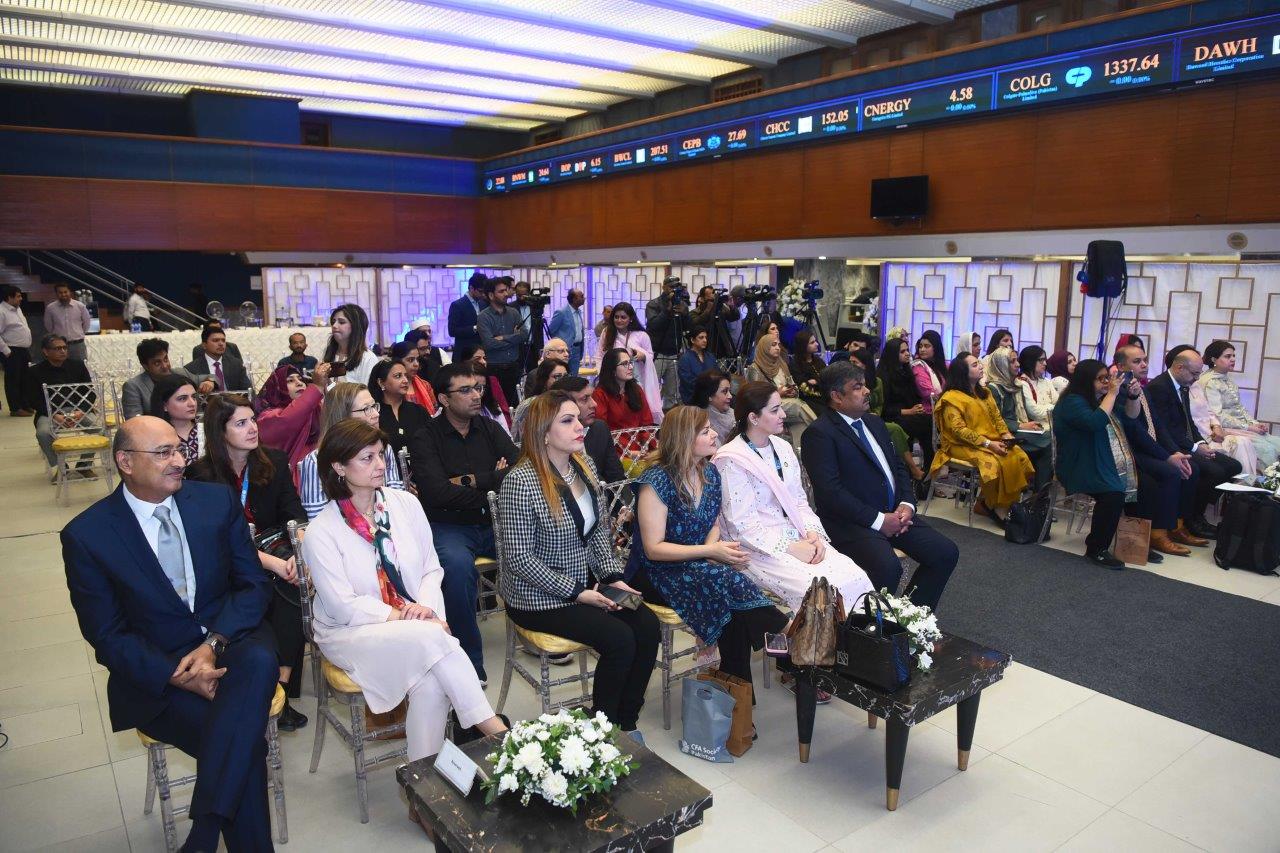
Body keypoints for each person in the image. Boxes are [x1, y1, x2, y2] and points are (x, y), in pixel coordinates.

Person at [63, 416, 276, 851]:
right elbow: (107, 635)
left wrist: (212, 645)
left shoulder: (215, 501)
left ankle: (201, 836)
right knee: (243, 743)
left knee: (256, 659)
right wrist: (177, 674)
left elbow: (253, 585)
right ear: (125, 461)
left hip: (230, 640)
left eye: (180, 449)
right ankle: (211, 832)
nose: (179, 461)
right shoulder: (88, 535)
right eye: (164, 453)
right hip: (158, 672)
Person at [301, 419, 507, 769]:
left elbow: (431, 568)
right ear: (338, 466)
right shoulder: (323, 531)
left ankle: (421, 784)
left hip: (417, 622)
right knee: (433, 642)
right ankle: (495, 731)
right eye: (366, 458)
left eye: (381, 455)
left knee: (430, 681)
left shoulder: (405, 506)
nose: (380, 465)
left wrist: (423, 609)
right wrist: (405, 616)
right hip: (350, 631)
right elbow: (340, 605)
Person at [498, 391, 659, 735]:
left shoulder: (581, 469)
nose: (579, 426)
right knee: (619, 639)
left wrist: (613, 577)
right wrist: (578, 591)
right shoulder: (520, 481)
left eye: (578, 418)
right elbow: (519, 559)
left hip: (585, 584)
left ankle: (625, 722)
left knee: (646, 625)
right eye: (567, 421)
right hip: (537, 597)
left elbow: (599, 534)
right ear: (543, 432)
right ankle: (602, 730)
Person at [630, 406, 787, 693]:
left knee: (734, 613)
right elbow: (653, 549)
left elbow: (713, 521)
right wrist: (709, 554)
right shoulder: (656, 481)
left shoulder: (710, 473)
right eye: (705, 431)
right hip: (656, 572)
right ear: (684, 439)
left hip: (697, 559)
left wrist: (711, 548)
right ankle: (784, 634)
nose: (715, 433)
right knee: (729, 580)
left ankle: (738, 703)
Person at [187, 395, 310, 730]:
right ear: (219, 430)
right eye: (241, 423)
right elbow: (213, 540)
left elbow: (295, 514)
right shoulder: (200, 475)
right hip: (227, 556)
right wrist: (273, 563)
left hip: (273, 544)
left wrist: (300, 552)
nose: (253, 428)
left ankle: (279, 688)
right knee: (277, 585)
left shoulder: (273, 460)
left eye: (253, 420)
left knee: (293, 585)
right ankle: (270, 682)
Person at [801, 361, 958, 609]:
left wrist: (906, 504)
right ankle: (862, 629)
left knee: (945, 552)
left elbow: (897, 467)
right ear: (836, 397)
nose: (867, 392)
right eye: (857, 387)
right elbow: (830, 493)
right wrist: (879, 520)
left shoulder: (874, 422)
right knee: (887, 567)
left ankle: (911, 618)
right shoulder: (820, 433)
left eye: (865, 385)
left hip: (894, 513)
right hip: (851, 521)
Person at [714, 381, 875, 610]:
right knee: (820, 592)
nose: (782, 414)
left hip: (798, 534)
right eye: (774, 410)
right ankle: (815, 644)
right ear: (753, 418)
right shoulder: (731, 459)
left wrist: (812, 534)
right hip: (757, 548)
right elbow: (742, 526)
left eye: (780, 407)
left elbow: (800, 501)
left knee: (856, 576)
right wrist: (791, 548)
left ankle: (859, 642)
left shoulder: (782, 447)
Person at [407, 363, 520, 682]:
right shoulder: (425, 437)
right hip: (450, 525)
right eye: (466, 390)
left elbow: (517, 472)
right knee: (455, 569)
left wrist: (471, 481)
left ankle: (541, 633)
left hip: (498, 521)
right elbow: (436, 493)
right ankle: (468, 660)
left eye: (478, 388)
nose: (476, 396)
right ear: (443, 399)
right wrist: (491, 483)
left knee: (536, 551)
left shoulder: (490, 428)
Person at [1113, 344, 1203, 555]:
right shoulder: (1118, 391)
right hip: (1130, 451)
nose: (1144, 365)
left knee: (1189, 467)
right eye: (1137, 361)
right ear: (1120, 365)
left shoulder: (1142, 387)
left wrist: (1174, 452)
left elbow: (1158, 426)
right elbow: (1135, 433)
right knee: (1171, 471)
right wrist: (1167, 457)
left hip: (1148, 447)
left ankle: (1177, 526)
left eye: (1144, 360)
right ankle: (1158, 534)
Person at [1052, 361, 1140, 569]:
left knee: (1140, 482)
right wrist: (1112, 393)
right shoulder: (1072, 402)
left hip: (1099, 458)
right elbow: (1095, 422)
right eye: (1101, 379)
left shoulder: (1097, 399)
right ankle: (1097, 548)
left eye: (1107, 378)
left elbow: (1130, 416)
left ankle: (1134, 542)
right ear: (1085, 380)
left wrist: (1133, 397)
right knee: (1113, 493)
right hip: (1078, 463)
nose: (1106, 383)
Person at [1144, 347, 1243, 532]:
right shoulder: (1160, 387)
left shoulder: (1184, 385)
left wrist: (1201, 444)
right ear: (1180, 368)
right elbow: (1164, 429)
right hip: (1168, 445)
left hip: (1184, 441)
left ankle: (1197, 513)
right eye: (1195, 373)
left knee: (1233, 466)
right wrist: (1194, 449)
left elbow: (1188, 422)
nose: (1197, 378)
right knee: (1210, 471)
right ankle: (1189, 520)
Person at [931, 353, 1035, 524]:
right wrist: (988, 444)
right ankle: (997, 507)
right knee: (994, 462)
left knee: (1018, 455)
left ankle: (988, 503)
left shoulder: (985, 393)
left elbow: (998, 419)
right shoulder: (951, 398)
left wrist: (1006, 436)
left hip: (989, 441)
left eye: (979, 363)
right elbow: (958, 431)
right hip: (958, 445)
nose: (980, 366)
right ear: (962, 372)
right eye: (974, 365)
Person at [297, 383, 405, 519]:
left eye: (374, 406)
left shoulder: (383, 447)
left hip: (386, 523)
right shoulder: (315, 461)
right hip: (338, 534)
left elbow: (396, 495)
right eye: (366, 409)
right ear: (343, 416)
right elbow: (316, 517)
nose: (376, 414)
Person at [1201, 340, 1280, 467]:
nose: (1232, 359)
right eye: (1227, 356)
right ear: (1214, 359)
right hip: (1221, 428)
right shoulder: (1210, 382)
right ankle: (1260, 484)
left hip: (1240, 426)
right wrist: (1248, 427)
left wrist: (1255, 424)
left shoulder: (1227, 380)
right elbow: (1217, 415)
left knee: (1277, 443)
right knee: (1267, 449)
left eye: (1233, 356)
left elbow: (1239, 409)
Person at [854, 347, 926, 487]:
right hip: (858, 417)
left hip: (874, 418)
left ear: (865, 364)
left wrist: (875, 414)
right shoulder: (849, 382)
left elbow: (880, 404)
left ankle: (914, 471)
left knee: (921, 423)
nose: (851, 365)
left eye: (855, 362)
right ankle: (914, 469)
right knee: (895, 428)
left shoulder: (877, 382)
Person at [25, 333, 93, 478]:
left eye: (64, 348)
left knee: (101, 429)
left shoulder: (78, 366)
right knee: (42, 433)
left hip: (77, 410)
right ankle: (62, 467)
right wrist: (54, 415)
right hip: (49, 413)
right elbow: (33, 400)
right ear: (45, 352)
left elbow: (90, 393)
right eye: (57, 348)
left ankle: (84, 465)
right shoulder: (35, 371)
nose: (62, 351)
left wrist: (82, 411)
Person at [986, 347, 1052, 490]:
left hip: (1016, 430)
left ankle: (1040, 493)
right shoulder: (993, 388)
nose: (1017, 364)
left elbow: (1019, 414)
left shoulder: (1013, 385)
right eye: (1012, 361)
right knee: (1049, 444)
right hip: (1001, 435)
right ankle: (1040, 495)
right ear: (1001, 365)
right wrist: (1021, 426)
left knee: (1050, 442)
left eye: (1017, 360)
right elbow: (993, 421)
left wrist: (1027, 424)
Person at [255, 363, 331, 479]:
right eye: (290, 381)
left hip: (320, 474)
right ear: (278, 387)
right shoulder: (267, 418)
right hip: (290, 481)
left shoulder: (315, 408)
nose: (299, 383)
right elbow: (289, 419)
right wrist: (316, 388)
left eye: (300, 379)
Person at [551, 375, 627, 483]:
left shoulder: (599, 429)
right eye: (584, 399)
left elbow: (617, 478)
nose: (594, 404)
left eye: (592, 397)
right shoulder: (556, 440)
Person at [747, 332, 815, 451]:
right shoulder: (755, 368)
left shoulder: (782, 364)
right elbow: (755, 397)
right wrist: (778, 393)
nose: (778, 348)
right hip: (768, 407)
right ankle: (819, 427)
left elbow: (793, 384)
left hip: (786, 403)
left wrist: (793, 391)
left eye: (778, 344)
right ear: (764, 347)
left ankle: (800, 456)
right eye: (773, 345)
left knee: (800, 425)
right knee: (798, 405)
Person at [877, 337, 934, 475]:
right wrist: (909, 411)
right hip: (892, 417)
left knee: (928, 421)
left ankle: (929, 471)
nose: (908, 353)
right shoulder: (883, 376)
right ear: (893, 354)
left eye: (907, 350)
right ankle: (911, 472)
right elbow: (885, 409)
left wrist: (918, 408)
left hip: (909, 415)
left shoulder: (906, 371)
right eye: (902, 351)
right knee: (910, 426)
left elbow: (914, 397)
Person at [596, 302, 662, 422]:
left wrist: (642, 356)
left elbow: (650, 356)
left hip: (635, 378)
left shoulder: (641, 335)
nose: (619, 320)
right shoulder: (607, 333)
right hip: (610, 380)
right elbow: (600, 356)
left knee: (636, 408)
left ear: (631, 319)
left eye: (623, 317)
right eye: (616, 317)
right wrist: (602, 374)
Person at [1186, 368, 1257, 476]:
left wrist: (1216, 426)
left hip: (1212, 432)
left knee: (1244, 441)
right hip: (1199, 438)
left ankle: (1247, 484)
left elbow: (1209, 410)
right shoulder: (1208, 382)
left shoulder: (1196, 385)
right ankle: (1243, 485)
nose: (1198, 376)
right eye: (1195, 372)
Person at [121, 338, 213, 420]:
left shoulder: (180, 373)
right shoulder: (134, 387)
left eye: (165, 359)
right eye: (157, 363)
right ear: (145, 366)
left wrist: (210, 381)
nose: (165, 366)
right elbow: (134, 422)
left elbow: (213, 377)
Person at [476, 277, 528, 405]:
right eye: (501, 291)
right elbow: (489, 344)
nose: (506, 294)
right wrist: (514, 338)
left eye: (506, 290)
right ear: (491, 295)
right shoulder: (483, 317)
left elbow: (525, 335)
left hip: (514, 367)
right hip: (495, 369)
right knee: (497, 406)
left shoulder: (513, 313)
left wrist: (504, 337)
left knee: (516, 405)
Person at [646, 278, 690, 411]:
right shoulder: (654, 304)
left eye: (676, 287)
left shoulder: (681, 304)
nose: (673, 289)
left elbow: (688, 328)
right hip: (657, 353)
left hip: (674, 354)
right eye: (671, 286)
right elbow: (653, 326)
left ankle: (668, 421)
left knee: (672, 394)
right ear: (664, 287)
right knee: (651, 390)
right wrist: (667, 311)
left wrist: (685, 314)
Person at [368, 359, 428, 453]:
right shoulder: (373, 414)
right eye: (398, 376)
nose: (405, 380)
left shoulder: (418, 411)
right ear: (381, 382)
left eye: (406, 376)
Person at [455, 344, 512, 434]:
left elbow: (506, 435)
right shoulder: (455, 409)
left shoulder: (491, 384)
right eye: (477, 359)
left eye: (481, 388)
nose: (483, 362)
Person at [150, 374, 203, 466]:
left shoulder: (208, 431)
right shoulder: (154, 437)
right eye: (182, 398)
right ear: (164, 406)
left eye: (194, 397)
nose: (192, 403)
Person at [322, 304, 379, 386]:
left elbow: (369, 393)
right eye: (333, 322)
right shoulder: (329, 353)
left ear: (355, 326)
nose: (334, 326)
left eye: (341, 322)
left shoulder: (368, 358)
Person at [185, 325, 250, 393]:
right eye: (215, 340)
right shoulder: (191, 369)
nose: (221, 344)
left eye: (223, 340)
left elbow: (248, 390)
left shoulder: (236, 364)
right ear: (204, 345)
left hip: (235, 402)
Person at [513, 357, 568, 437]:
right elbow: (518, 438)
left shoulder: (570, 401)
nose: (563, 380)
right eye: (557, 377)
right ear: (544, 380)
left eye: (565, 376)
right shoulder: (530, 405)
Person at [1, 284, 34, 416]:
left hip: (23, 350)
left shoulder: (17, 309)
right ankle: (15, 408)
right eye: (18, 296)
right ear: (9, 297)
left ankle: (25, 404)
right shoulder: (1, 311)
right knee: (13, 380)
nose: (21, 298)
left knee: (25, 378)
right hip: (12, 350)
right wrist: (6, 351)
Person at [42, 283, 92, 363]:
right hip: (58, 346)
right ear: (56, 294)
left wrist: (79, 333)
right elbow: (48, 326)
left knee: (79, 369)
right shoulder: (50, 308)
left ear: (70, 292)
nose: (63, 294)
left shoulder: (80, 306)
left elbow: (87, 323)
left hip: (77, 345)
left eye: (65, 292)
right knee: (60, 369)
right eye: (60, 292)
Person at [390, 340, 437, 415]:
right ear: (397, 362)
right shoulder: (391, 388)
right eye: (410, 360)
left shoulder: (425, 385)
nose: (416, 364)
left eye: (417, 359)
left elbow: (435, 412)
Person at [447, 272, 489, 356]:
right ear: (471, 288)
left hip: (481, 352)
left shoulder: (484, 304)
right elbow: (452, 331)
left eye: (484, 292)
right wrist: (474, 328)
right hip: (464, 353)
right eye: (480, 291)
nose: (483, 294)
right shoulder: (457, 305)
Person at [547, 289, 587, 374]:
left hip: (577, 349)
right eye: (582, 296)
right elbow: (551, 331)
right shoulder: (561, 312)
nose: (584, 298)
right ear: (574, 299)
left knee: (573, 377)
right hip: (563, 350)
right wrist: (559, 344)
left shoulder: (579, 312)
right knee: (562, 375)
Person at [1017, 345, 1059, 425]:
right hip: (1036, 429)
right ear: (1029, 361)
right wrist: (1051, 406)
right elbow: (1034, 412)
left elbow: (1059, 403)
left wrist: (1048, 407)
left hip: (1052, 426)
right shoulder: (1021, 383)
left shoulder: (1046, 381)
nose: (1045, 363)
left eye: (1045, 360)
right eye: (1041, 360)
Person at [691, 369, 735, 444]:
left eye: (729, 391)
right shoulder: (699, 422)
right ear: (709, 395)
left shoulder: (734, 413)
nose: (730, 396)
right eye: (724, 391)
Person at [791, 328, 827, 415]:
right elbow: (804, 388)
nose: (817, 344)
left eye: (815, 341)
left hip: (825, 396)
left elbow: (828, 378)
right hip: (810, 400)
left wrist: (816, 382)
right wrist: (820, 382)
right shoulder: (795, 364)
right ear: (803, 346)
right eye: (812, 343)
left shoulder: (819, 361)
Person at [677, 326, 715, 405]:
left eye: (706, 337)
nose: (705, 340)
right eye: (701, 337)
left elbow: (717, 374)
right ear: (692, 340)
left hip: (711, 395)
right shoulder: (685, 359)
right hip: (693, 398)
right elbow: (688, 382)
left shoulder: (710, 356)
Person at [910, 334, 945, 414]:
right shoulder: (918, 366)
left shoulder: (941, 366)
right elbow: (929, 394)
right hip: (927, 412)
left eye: (926, 346)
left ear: (935, 348)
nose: (922, 349)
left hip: (942, 407)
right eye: (920, 346)